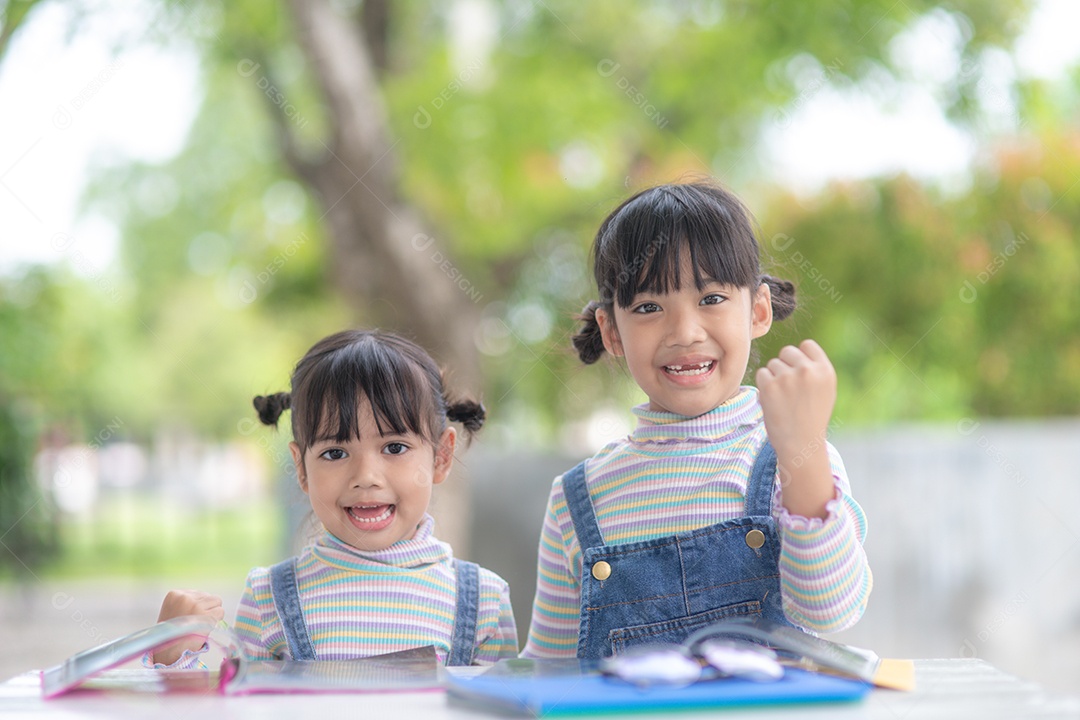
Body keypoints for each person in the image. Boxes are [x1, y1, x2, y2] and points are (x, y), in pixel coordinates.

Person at [522, 181, 872, 660]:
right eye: (648, 307)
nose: (685, 333)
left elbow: (832, 612)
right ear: (612, 332)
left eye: (711, 299)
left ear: (759, 310)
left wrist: (802, 450)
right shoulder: (577, 497)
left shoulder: (792, 459)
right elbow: (548, 670)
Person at [151, 329, 518, 666]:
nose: (366, 477)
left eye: (394, 447)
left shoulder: (484, 601)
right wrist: (172, 655)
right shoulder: (269, 599)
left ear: (440, 457)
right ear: (301, 468)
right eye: (335, 453)